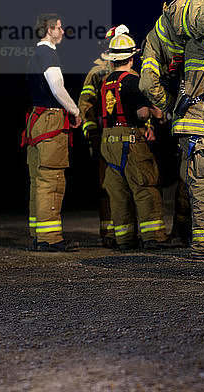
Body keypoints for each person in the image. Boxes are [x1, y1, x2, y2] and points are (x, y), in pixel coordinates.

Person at [140, 0, 204, 260]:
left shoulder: (166, 25)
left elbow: (148, 83)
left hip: (189, 120)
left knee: (201, 183)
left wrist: (171, 106)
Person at [99, 33, 170, 251]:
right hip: (129, 139)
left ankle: (124, 239)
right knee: (144, 185)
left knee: (118, 192)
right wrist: (156, 113)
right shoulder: (132, 81)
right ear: (132, 58)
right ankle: (153, 237)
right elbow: (140, 114)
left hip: (107, 140)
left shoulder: (105, 82)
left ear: (112, 60)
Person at [24, 13, 81, 252]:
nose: (62, 31)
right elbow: (57, 88)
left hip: (36, 121)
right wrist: (75, 110)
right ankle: (50, 238)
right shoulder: (48, 53)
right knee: (52, 178)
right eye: (59, 27)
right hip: (50, 120)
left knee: (38, 179)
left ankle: (39, 233)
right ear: (49, 30)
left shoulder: (34, 55)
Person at [78, 24, 130, 249]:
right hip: (104, 135)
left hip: (130, 135)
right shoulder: (98, 72)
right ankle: (109, 233)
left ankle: (128, 232)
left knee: (131, 184)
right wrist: (91, 132)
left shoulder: (128, 70)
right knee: (107, 186)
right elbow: (86, 105)